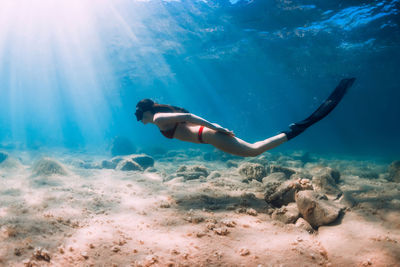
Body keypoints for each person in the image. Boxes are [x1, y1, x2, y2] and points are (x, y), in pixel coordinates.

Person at [135, 78, 355, 157]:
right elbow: (188, 119)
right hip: (209, 134)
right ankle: (297, 127)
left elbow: (190, 116)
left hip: (210, 135)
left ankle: (297, 127)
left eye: (140, 117)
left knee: (253, 151)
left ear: (146, 113)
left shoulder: (157, 119)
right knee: (253, 150)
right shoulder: (161, 117)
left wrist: (216, 129)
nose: (141, 121)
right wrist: (215, 128)